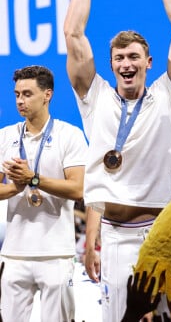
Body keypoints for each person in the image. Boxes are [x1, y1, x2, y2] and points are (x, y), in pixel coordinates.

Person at [63, 0, 171, 320]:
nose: (126, 63)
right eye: (119, 58)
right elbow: (73, 34)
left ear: (149, 63)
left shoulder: (168, 95)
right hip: (116, 235)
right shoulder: (95, 96)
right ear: (110, 65)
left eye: (133, 56)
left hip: (163, 232)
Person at [0, 66, 87, 321]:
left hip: (57, 254)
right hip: (14, 253)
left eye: (27, 94)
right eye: (16, 94)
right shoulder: (5, 136)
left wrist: (34, 179)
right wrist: (15, 188)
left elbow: (78, 189)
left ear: (47, 95)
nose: (19, 100)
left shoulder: (69, 135)